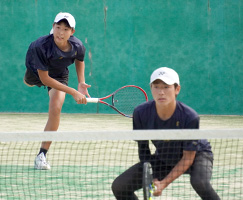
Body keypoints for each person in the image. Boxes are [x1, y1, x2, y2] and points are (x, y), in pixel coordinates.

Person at [112, 67, 220, 199]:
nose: (161, 92)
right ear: (151, 88)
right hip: (165, 156)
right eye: (156, 87)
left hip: (197, 155)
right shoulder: (140, 113)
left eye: (166, 87)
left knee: (200, 182)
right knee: (120, 186)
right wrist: (150, 176)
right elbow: (143, 149)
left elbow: (188, 158)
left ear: (177, 89)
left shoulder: (189, 116)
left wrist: (163, 183)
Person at [24, 12, 91, 170]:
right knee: (28, 82)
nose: (61, 32)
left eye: (66, 29)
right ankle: (29, 81)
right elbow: (45, 79)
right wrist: (73, 92)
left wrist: (81, 83)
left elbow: (79, 60)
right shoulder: (40, 46)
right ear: (53, 27)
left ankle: (42, 155)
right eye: (58, 27)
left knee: (56, 108)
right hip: (37, 72)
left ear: (72, 32)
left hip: (59, 73)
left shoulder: (78, 46)